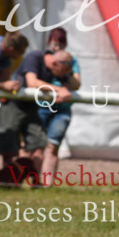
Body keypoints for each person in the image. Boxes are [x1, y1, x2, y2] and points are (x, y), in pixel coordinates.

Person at [0, 49, 77, 179]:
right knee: (9, 145)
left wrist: (65, 89)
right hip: (13, 104)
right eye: (64, 71)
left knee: (39, 143)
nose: (63, 75)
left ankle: (34, 181)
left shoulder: (59, 68)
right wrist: (59, 89)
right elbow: (32, 83)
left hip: (32, 107)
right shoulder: (34, 57)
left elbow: (69, 85)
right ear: (56, 63)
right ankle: (8, 180)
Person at [38, 28, 82, 185]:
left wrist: (66, 70)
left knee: (52, 146)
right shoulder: (40, 58)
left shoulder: (72, 61)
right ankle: (33, 180)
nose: (57, 48)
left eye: (60, 44)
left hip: (62, 110)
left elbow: (76, 85)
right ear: (49, 42)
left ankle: (47, 185)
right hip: (41, 107)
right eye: (55, 44)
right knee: (35, 146)